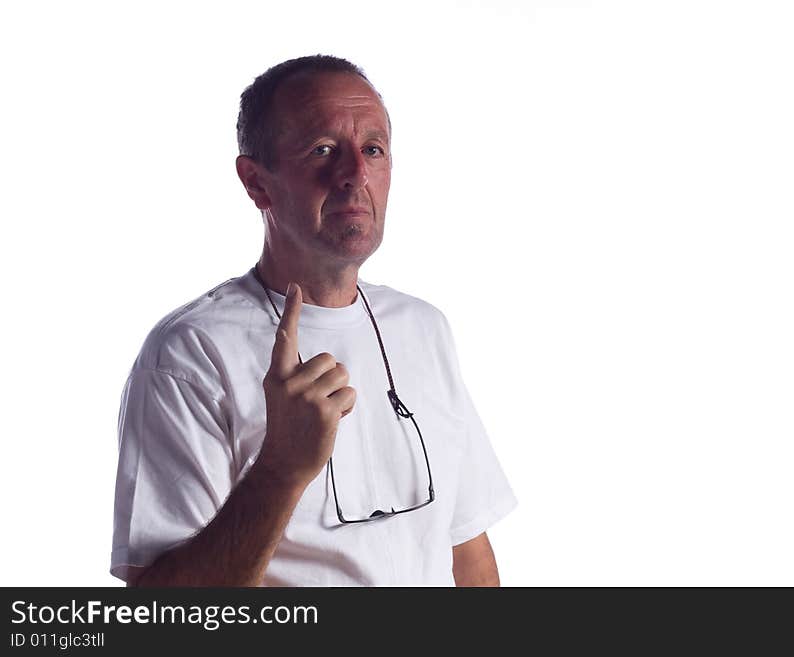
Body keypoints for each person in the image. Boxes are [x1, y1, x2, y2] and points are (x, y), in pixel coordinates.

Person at [110, 55, 517, 586]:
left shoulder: (423, 328)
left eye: (373, 150)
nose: (354, 174)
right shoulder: (191, 354)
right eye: (322, 150)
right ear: (257, 183)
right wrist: (280, 470)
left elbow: (467, 552)